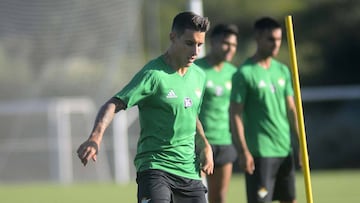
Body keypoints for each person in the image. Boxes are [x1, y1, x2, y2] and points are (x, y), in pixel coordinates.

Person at [76, 11, 214, 203]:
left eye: (200, 45)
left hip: (189, 172)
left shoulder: (199, 76)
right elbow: (114, 104)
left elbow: (191, 115)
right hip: (156, 168)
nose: (196, 52)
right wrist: (95, 137)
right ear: (173, 38)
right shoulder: (153, 75)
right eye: (190, 43)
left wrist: (204, 145)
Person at [230, 17, 299, 203]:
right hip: (260, 153)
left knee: (290, 199)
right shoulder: (244, 73)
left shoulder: (282, 70)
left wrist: (301, 143)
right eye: (271, 39)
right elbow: (234, 115)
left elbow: (292, 109)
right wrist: (243, 151)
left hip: (285, 150)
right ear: (258, 38)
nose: (276, 44)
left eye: (278, 39)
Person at [194, 23, 239, 203]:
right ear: (212, 42)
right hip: (198, 142)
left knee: (219, 197)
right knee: (192, 196)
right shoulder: (196, 69)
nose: (230, 49)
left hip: (225, 141)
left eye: (234, 45)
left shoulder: (234, 73)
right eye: (226, 43)